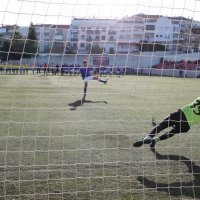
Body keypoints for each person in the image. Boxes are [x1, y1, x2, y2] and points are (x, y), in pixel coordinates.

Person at [133, 97, 200, 148]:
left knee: (162, 125)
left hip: (180, 114)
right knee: (172, 132)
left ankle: (148, 137)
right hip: (187, 125)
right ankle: (155, 140)